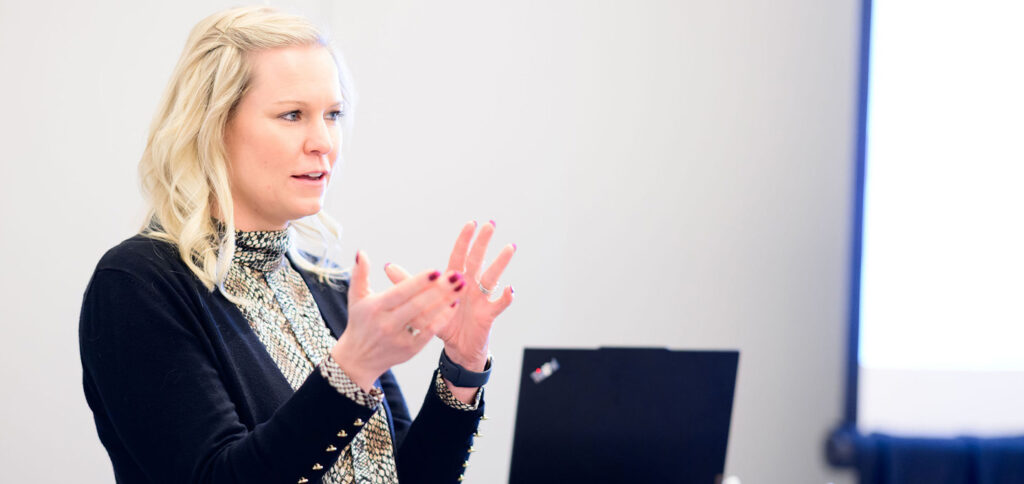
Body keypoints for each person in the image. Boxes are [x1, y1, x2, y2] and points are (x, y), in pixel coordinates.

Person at [78, 6, 515, 484]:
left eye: (333, 115)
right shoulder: (138, 285)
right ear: (213, 126)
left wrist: (462, 368)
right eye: (292, 115)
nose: (323, 141)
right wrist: (351, 371)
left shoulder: (329, 286)